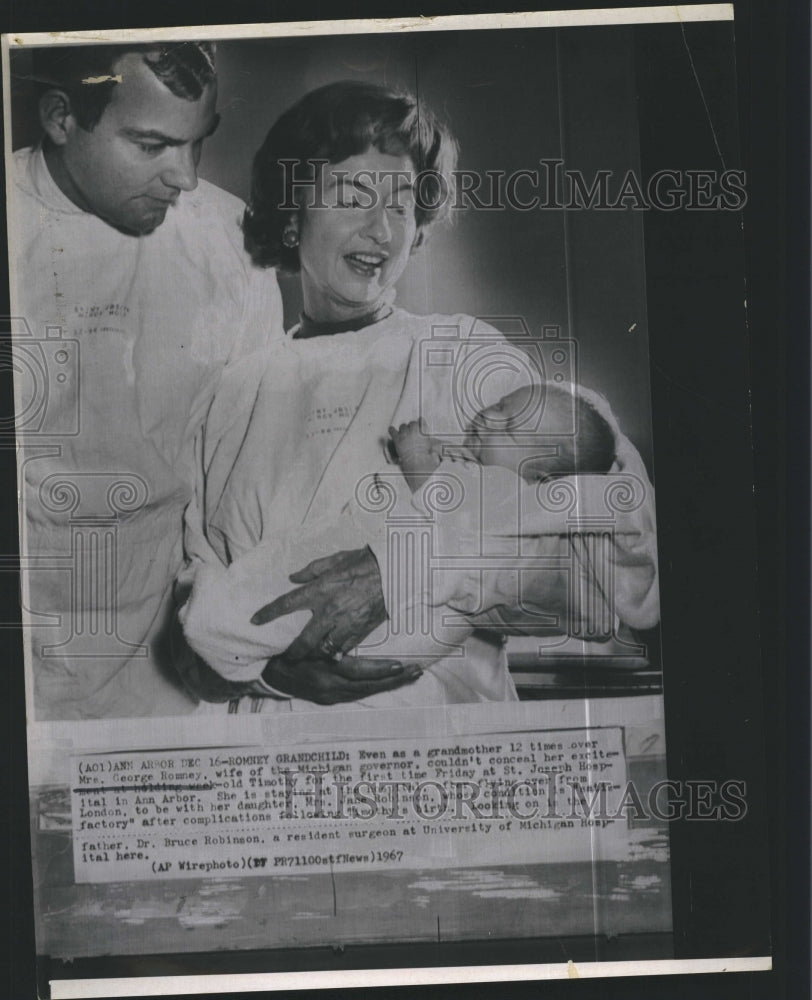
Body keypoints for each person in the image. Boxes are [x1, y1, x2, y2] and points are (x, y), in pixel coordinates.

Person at [177, 80, 659, 711]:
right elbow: (195, 615)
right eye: (353, 197)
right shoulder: (233, 395)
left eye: (401, 205)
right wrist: (269, 675)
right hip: (280, 773)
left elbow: (603, 581)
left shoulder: (467, 360)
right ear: (293, 216)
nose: (381, 230)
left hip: (448, 767)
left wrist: (409, 567)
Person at [10, 43, 285, 718]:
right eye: (151, 145)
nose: (185, 178)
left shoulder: (230, 241)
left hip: (167, 663)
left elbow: (250, 475)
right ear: (59, 118)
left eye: (197, 145)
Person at [179, 380, 618, 695]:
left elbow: (452, 513)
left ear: (540, 477)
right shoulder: (246, 377)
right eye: (499, 404)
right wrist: (272, 676)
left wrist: (414, 459)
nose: (488, 416)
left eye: (508, 427)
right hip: (282, 679)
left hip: (413, 642)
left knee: (257, 611)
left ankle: (216, 621)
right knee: (275, 600)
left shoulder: (508, 493)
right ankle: (221, 628)